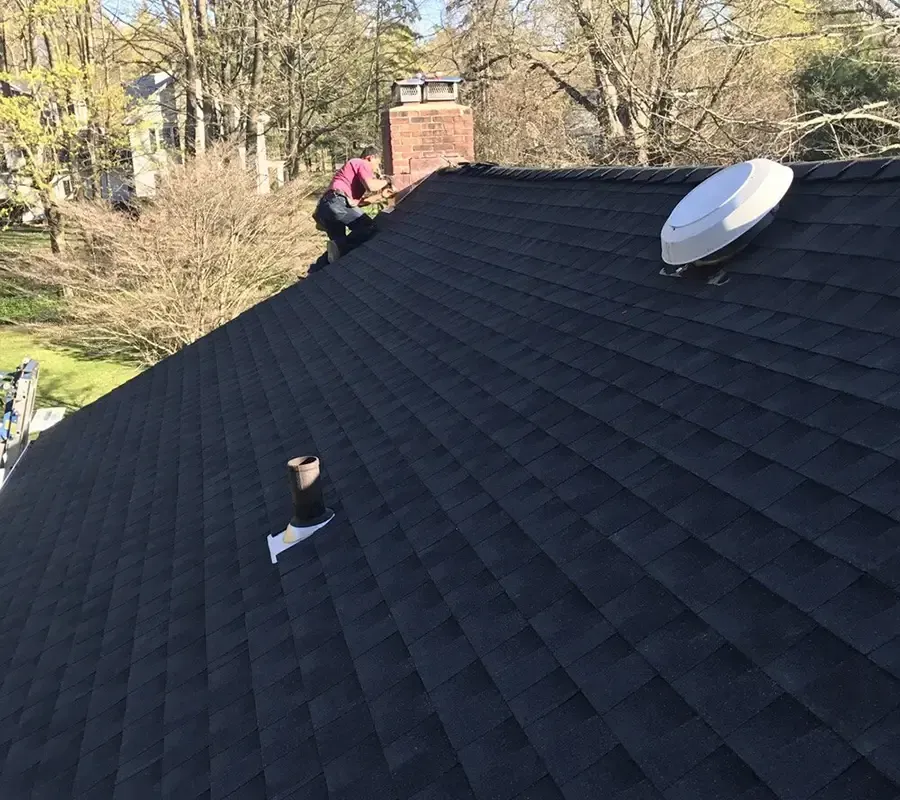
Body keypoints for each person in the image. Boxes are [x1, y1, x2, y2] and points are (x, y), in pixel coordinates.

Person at [313, 146, 393, 260]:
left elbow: (355, 204)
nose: (377, 169)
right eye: (377, 164)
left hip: (327, 206)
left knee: (338, 253)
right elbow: (371, 186)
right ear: (370, 158)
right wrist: (388, 180)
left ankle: (317, 267)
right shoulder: (361, 163)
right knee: (368, 227)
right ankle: (340, 247)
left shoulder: (350, 175)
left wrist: (381, 196)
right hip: (338, 201)